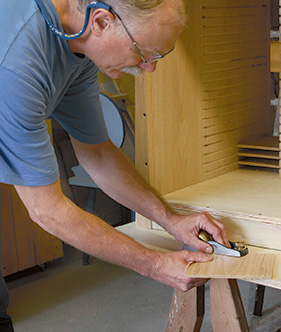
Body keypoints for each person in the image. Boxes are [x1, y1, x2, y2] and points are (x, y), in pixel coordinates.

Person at [0, 0, 229, 330]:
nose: (149, 68)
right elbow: (47, 210)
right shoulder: (16, 63)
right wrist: (154, 264)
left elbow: (98, 153)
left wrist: (170, 220)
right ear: (102, 22)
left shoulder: (79, 51)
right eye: (145, 53)